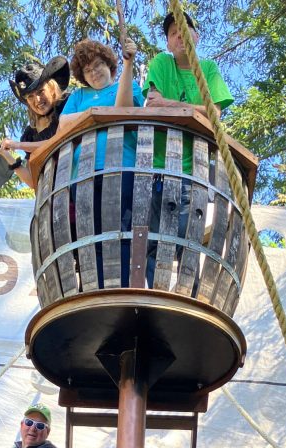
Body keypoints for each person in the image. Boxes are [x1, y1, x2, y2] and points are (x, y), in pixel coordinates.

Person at [143, 11, 234, 290]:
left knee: (187, 237)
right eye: (173, 33)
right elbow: (152, 105)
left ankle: (187, 294)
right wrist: (194, 110)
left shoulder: (207, 69)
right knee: (152, 237)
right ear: (168, 43)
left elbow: (214, 113)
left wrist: (169, 104)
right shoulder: (162, 63)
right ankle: (156, 295)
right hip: (158, 167)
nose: (179, 36)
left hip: (193, 169)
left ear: (196, 36)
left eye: (184, 30)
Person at [60, 36, 143, 287]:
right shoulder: (79, 95)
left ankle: (123, 288)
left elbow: (124, 108)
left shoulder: (128, 84)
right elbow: (63, 124)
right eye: (87, 70)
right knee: (91, 231)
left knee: (121, 228)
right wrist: (97, 113)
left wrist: (128, 64)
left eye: (98, 65)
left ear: (109, 65)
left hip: (121, 166)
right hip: (84, 173)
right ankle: (95, 289)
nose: (94, 72)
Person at [0, 57, 70, 191]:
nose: (37, 100)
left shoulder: (67, 106)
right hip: (53, 194)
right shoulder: (30, 134)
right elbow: (32, 181)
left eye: (40, 91)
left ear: (51, 88)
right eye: (30, 97)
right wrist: (4, 153)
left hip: (77, 179)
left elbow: (59, 142)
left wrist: (17, 145)